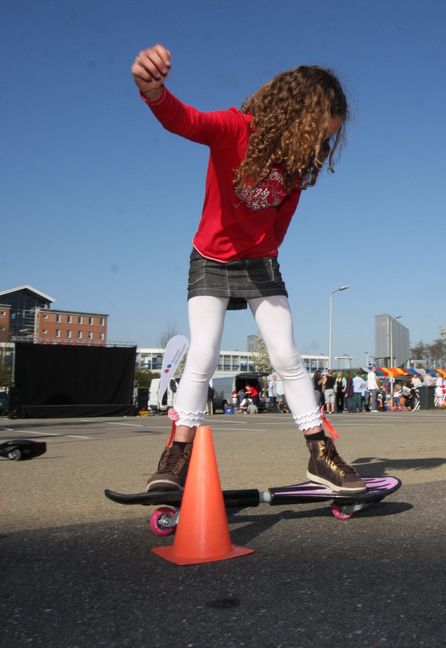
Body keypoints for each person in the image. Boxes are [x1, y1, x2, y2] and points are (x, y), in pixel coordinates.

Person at [132, 45, 364, 493]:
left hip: (260, 261)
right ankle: (177, 457)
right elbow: (185, 120)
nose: (319, 146)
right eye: (318, 133)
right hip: (211, 256)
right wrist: (153, 90)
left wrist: (263, 258)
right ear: (296, 116)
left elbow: (282, 218)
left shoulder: (296, 161)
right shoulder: (235, 128)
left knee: (287, 356)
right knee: (204, 354)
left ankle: (321, 453)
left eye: (327, 139)